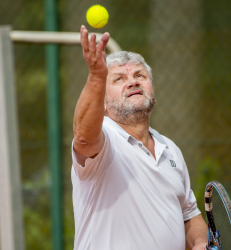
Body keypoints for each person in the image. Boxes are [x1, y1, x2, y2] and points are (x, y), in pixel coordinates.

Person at [71, 25, 208, 250]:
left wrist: (201, 243)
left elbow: (189, 215)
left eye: (139, 75)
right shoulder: (105, 139)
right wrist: (97, 77)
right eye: (118, 79)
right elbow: (84, 139)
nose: (132, 81)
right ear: (103, 104)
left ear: (153, 96)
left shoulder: (170, 148)